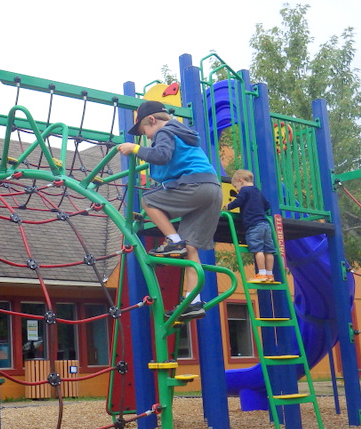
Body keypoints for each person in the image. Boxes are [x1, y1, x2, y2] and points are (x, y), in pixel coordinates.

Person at [117, 100, 222, 319]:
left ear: (152, 120)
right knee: (191, 250)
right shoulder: (185, 134)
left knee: (149, 200)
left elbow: (161, 156)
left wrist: (135, 148)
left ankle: (173, 240)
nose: (147, 138)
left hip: (196, 186)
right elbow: (172, 163)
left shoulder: (164, 132)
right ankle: (193, 302)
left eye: (145, 132)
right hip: (213, 190)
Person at [225, 169, 277, 283]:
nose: (237, 189)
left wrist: (228, 206)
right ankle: (270, 274)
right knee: (269, 250)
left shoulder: (244, 191)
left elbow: (239, 201)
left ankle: (262, 273)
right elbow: (267, 205)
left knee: (257, 249)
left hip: (254, 225)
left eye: (236, 186)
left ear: (241, 181)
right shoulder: (258, 191)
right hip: (266, 225)